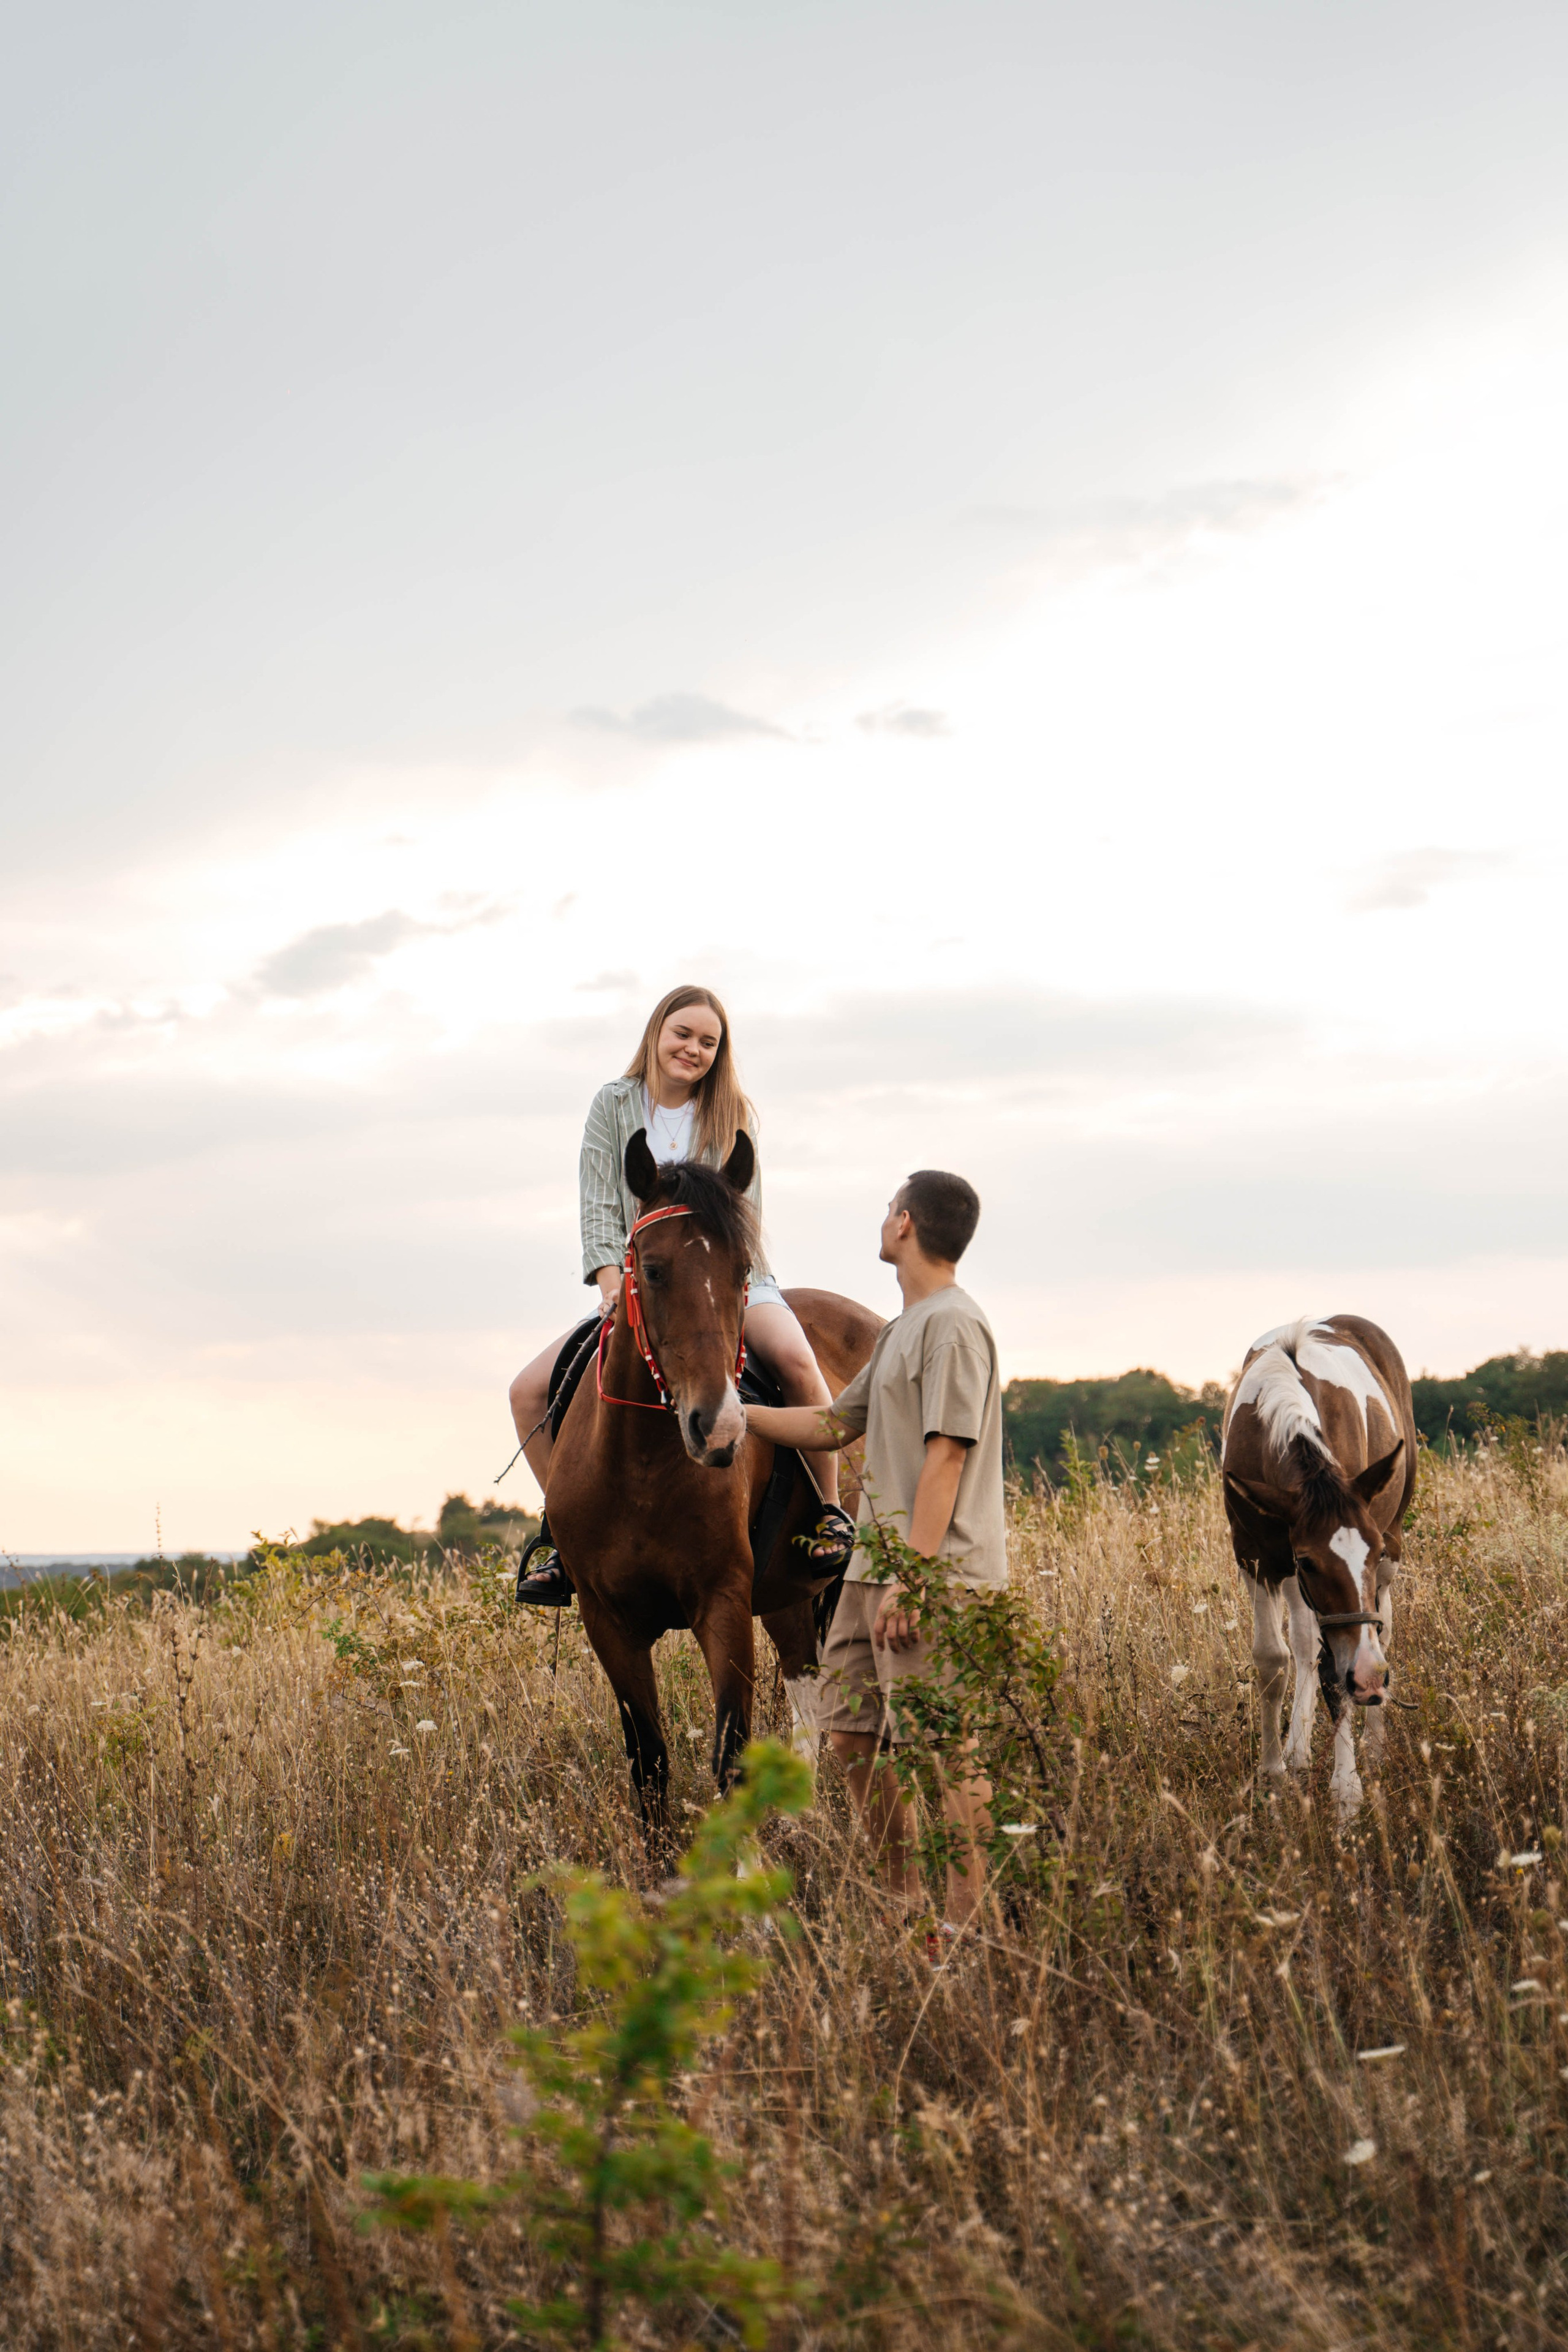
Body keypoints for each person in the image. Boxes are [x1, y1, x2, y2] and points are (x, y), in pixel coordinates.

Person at [510, 984, 856, 1603]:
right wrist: (614, 1285)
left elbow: (743, 1216)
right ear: (655, 1034)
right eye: (682, 1035)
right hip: (644, 1286)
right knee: (528, 1390)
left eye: (707, 1042)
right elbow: (597, 1205)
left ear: (719, 1054)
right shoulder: (613, 1105)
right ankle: (563, 1537)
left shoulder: (731, 1113)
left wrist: (732, 1288)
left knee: (801, 1364)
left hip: (729, 1286)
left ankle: (828, 1511)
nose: (692, 1049)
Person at [744, 1169, 1006, 1943]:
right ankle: (907, 1913)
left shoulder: (955, 1326)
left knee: (943, 1748)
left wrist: (914, 1579)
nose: (882, 1218)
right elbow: (831, 1426)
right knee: (852, 1739)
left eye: (889, 1208)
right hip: (869, 1574)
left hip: (934, 1576)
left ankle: (970, 1927)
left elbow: (948, 1457)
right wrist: (741, 1415)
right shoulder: (900, 1331)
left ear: (905, 1225)